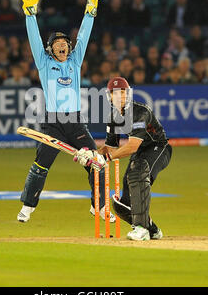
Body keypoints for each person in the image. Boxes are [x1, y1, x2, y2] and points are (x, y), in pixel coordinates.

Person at [17, 0, 116, 224]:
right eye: (57, 44)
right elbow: (34, 40)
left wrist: (90, 9)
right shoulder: (43, 62)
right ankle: (28, 207)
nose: (62, 45)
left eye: (65, 43)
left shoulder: (74, 61)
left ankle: (100, 207)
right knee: (40, 166)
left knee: (97, 165)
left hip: (75, 124)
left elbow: (84, 34)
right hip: (53, 124)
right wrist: (30, 13)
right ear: (50, 49)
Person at [74, 77, 172, 241]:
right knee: (121, 206)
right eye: (115, 93)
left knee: (138, 172)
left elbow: (132, 146)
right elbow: (110, 147)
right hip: (140, 154)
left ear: (128, 94)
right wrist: (90, 154)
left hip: (158, 148)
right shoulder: (113, 117)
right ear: (109, 96)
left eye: (123, 93)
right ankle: (153, 230)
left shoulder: (141, 112)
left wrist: (105, 157)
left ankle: (141, 229)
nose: (120, 96)